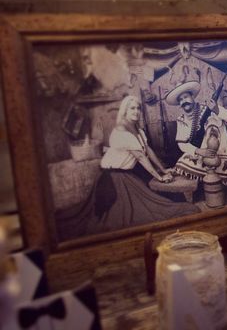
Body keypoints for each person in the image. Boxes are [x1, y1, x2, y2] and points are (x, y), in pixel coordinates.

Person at [56, 96, 199, 241]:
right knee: (141, 214)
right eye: (132, 108)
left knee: (154, 202)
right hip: (113, 179)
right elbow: (141, 158)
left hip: (127, 175)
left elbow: (147, 150)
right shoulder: (122, 132)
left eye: (138, 108)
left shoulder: (137, 129)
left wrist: (163, 170)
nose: (136, 111)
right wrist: (159, 177)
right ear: (124, 111)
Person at [165, 81, 227, 178]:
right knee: (181, 164)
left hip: (218, 151)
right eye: (181, 100)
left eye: (186, 97)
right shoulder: (181, 119)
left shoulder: (209, 108)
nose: (184, 101)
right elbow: (181, 143)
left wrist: (216, 110)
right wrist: (198, 151)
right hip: (199, 152)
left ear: (192, 97)